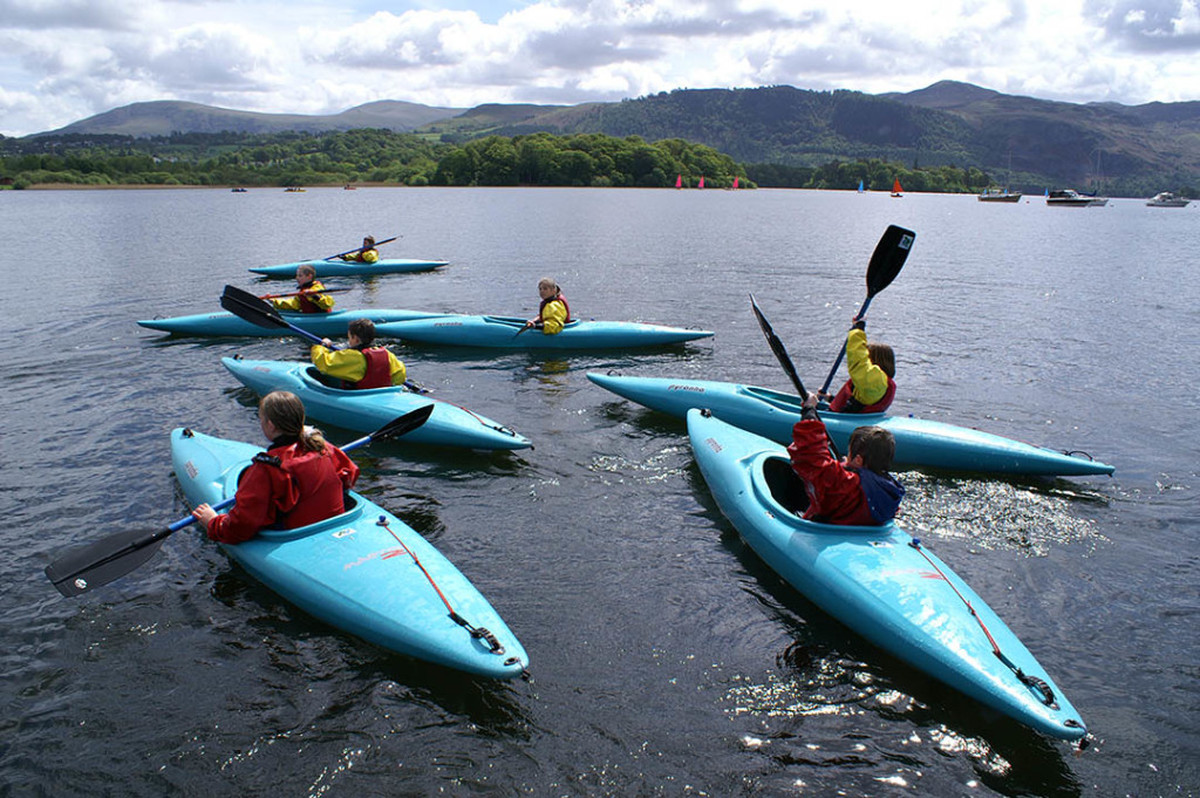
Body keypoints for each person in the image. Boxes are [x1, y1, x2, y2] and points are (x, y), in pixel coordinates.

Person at [191, 391, 359, 544]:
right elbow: (350, 475)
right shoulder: (324, 448)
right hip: (335, 523)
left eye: (261, 419)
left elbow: (241, 526)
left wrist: (213, 522)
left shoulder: (266, 469)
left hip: (297, 539)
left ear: (270, 425)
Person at [787, 393, 905, 526]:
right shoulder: (890, 489)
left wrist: (809, 411)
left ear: (858, 461)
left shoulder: (845, 483)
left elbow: (811, 456)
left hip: (827, 530)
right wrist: (847, 465)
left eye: (849, 453)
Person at [822, 315, 895, 413]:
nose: (864, 357)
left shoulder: (876, 380)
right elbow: (857, 402)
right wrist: (831, 399)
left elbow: (858, 360)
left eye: (866, 355)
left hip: (846, 421)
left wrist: (858, 329)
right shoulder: (876, 383)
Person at [311, 318, 407, 389]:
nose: (349, 341)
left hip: (359, 397)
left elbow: (323, 363)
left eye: (349, 338)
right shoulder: (387, 354)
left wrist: (321, 346)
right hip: (382, 395)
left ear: (356, 339)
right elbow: (401, 375)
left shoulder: (351, 356)